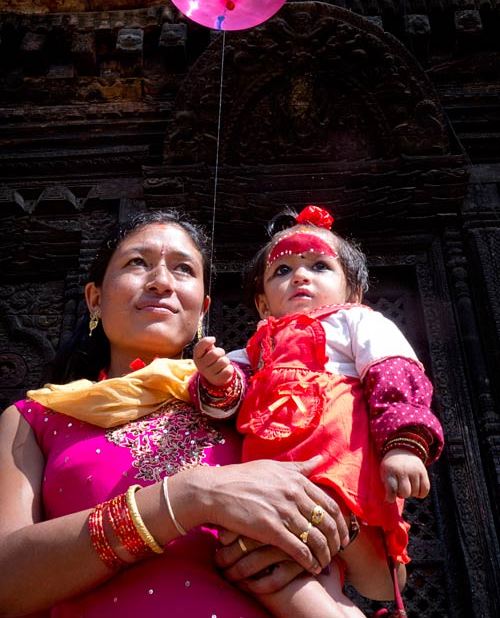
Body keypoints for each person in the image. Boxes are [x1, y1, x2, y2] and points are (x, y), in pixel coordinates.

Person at [0, 209, 353, 618]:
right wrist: (189, 497)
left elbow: (380, 569)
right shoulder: (35, 418)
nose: (161, 283)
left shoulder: (260, 398)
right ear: (95, 298)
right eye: (138, 263)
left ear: (203, 310)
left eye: (183, 269)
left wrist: (319, 543)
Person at [192, 205, 445, 618]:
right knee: (280, 570)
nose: (300, 276)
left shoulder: (355, 323)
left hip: (339, 466)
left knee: (296, 565)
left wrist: (404, 445)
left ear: (354, 292)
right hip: (268, 482)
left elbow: (393, 371)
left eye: (319, 266)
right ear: (261, 303)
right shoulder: (256, 349)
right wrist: (217, 378)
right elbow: (226, 399)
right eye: (282, 270)